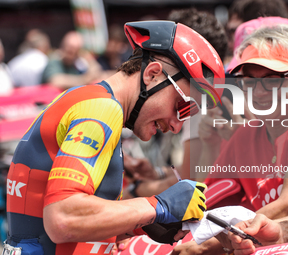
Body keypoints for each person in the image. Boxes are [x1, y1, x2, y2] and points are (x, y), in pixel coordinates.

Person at [5, 20, 226, 255]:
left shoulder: (86, 98)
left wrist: (142, 224)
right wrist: (157, 206)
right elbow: (62, 218)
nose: (177, 126)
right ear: (152, 74)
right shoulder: (102, 110)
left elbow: (49, 220)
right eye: (183, 107)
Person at [172, 24, 288, 255]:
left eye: (272, 79)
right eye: (248, 79)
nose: (258, 91)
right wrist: (210, 144)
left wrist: (205, 246)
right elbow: (205, 203)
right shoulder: (247, 132)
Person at [123, 7, 228, 199]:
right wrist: (157, 174)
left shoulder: (200, 98)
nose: (175, 126)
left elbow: (191, 180)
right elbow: (190, 170)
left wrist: (132, 193)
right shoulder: (205, 94)